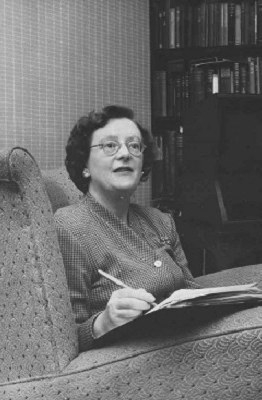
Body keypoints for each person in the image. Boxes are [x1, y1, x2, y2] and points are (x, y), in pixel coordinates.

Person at [55, 105, 201, 352]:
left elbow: (191, 289)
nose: (125, 154)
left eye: (134, 146)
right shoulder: (69, 227)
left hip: (187, 342)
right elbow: (65, 338)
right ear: (85, 165)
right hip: (125, 357)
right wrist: (104, 322)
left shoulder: (160, 220)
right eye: (110, 145)